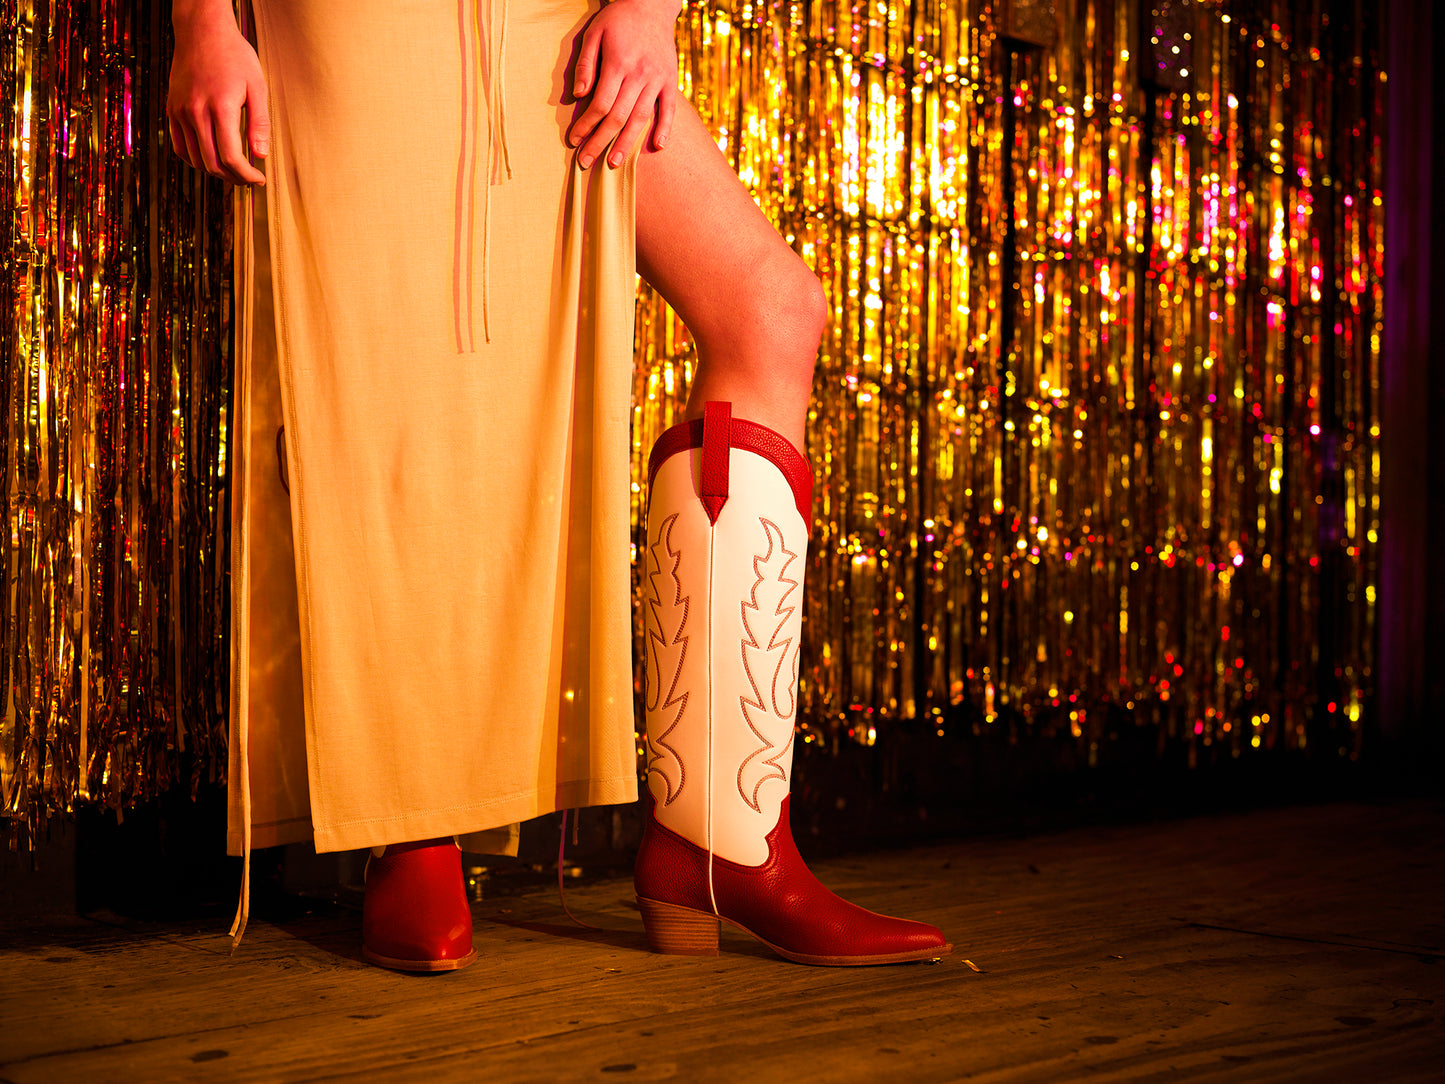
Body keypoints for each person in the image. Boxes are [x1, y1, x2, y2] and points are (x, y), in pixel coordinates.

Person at [167, 0, 950, 971]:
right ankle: (414, 818)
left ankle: (721, 837)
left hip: (565, 20)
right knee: (408, 376)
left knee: (768, 308)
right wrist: (201, 20)